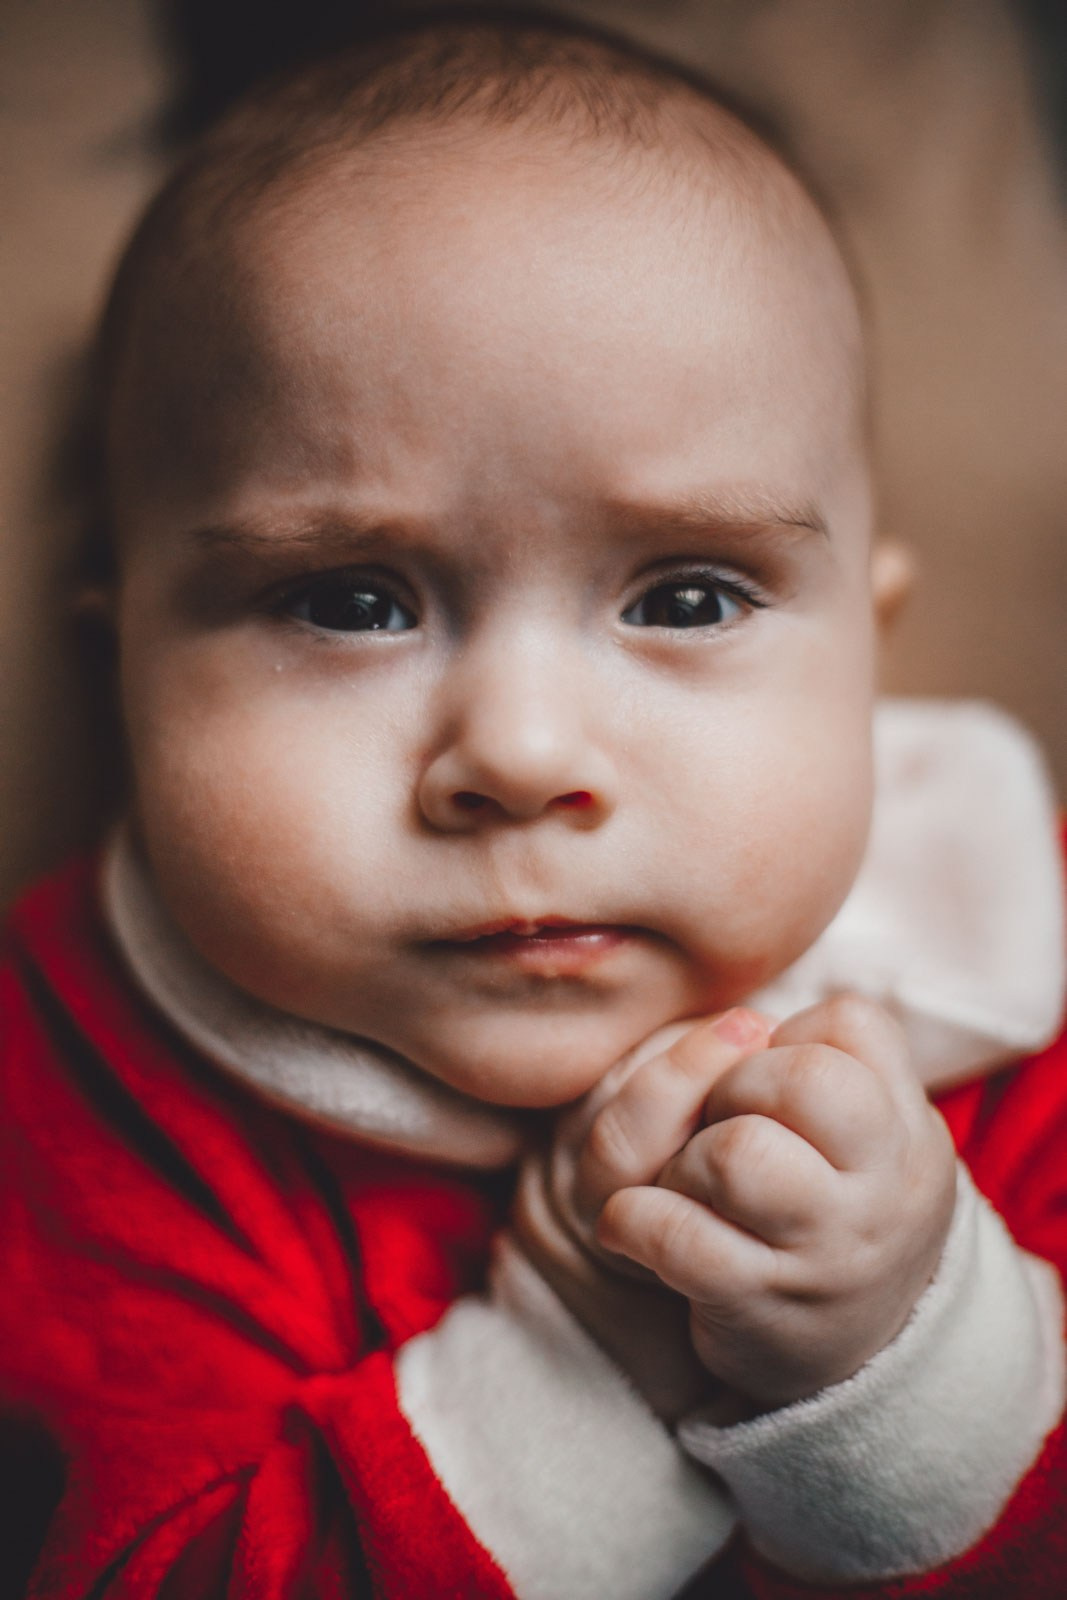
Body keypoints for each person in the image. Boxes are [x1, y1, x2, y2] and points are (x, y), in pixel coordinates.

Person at [3, 9, 1065, 1597]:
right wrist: (583, 1369)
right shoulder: (81, 1075)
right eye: (351, 601)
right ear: (130, 664)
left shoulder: (995, 941)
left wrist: (913, 1341)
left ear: (868, 652)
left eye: (689, 597)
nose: (516, 749)